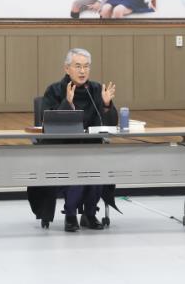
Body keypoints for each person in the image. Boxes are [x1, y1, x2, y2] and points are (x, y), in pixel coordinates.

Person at [41, 48, 117, 232]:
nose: (83, 71)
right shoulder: (54, 90)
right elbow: (48, 124)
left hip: (91, 149)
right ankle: (70, 215)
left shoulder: (97, 90)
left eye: (86, 66)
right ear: (67, 69)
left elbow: (110, 125)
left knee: (96, 170)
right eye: (78, 66)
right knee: (77, 171)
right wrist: (67, 103)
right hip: (63, 150)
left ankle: (89, 214)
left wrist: (107, 105)